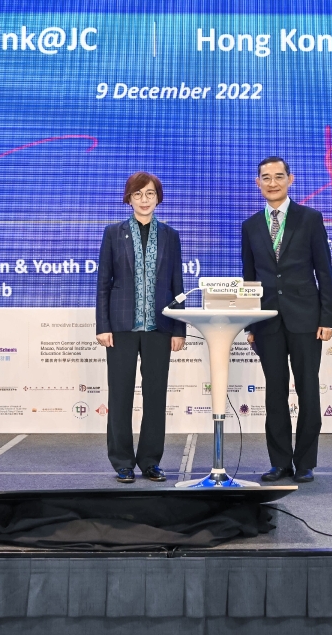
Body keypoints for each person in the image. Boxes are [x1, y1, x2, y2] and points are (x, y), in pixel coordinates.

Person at [241, 157, 332, 483]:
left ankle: (305, 462)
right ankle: (280, 462)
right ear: (258, 183)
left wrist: (328, 318)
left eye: (278, 176)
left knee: (308, 390)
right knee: (274, 393)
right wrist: (250, 324)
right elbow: (249, 278)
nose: (272, 183)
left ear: (290, 180)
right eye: (266, 178)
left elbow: (324, 271)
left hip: (306, 318)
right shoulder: (251, 225)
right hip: (267, 320)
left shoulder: (310, 218)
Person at [96, 172, 186, 483]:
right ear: (129, 198)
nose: (144, 199)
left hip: (160, 327)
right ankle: (122, 461)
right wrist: (103, 325)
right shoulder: (113, 233)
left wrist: (179, 329)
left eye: (149, 194)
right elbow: (103, 284)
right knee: (120, 396)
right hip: (120, 327)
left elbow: (177, 286)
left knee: (155, 396)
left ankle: (150, 461)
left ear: (158, 198)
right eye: (138, 194)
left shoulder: (171, 236)